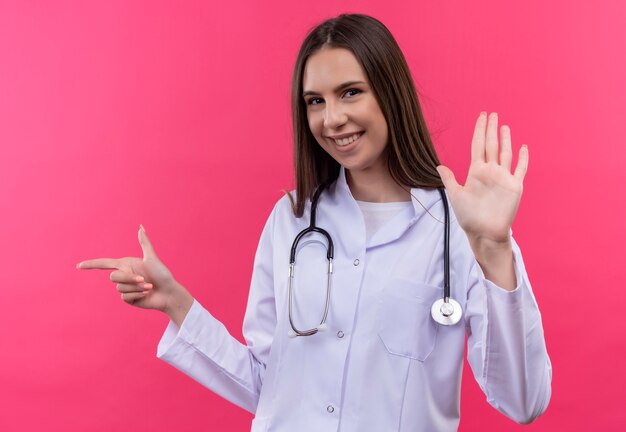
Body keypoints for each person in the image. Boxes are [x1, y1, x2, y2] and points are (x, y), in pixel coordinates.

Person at [77, 13, 551, 432]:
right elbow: (268, 384)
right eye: (314, 101)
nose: (332, 118)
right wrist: (177, 306)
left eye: (350, 92)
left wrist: (492, 246)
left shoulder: (457, 230)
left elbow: (523, 402)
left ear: (390, 91)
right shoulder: (291, 220)